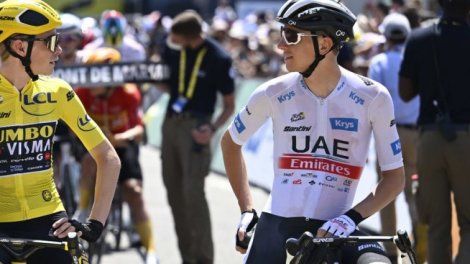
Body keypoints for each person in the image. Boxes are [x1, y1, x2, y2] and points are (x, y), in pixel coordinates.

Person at [221, 1, 405, 263]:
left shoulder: (373, 96)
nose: (281, 45)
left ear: (326, 44)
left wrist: (350, 218)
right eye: (282, 34)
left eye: (292, 36)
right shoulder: (272, 92)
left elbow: (395, 178)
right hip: (277, 222)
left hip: (340, 224)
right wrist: (247, 209)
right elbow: (230, 143)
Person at [0, 1, 120, 263]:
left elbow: (108, 158)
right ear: (20, 47)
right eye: (52, 41)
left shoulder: (57, 91)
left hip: (48, 220)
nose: (60, 49)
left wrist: (94, 225)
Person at [159, 10, 235, 264]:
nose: (171, 38)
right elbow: (167, 84)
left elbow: (229, 105)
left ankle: (204, 259)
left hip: (197, 128)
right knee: (174, 195)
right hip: (170, 124)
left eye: (175, 35)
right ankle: (187, 258)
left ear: (188, 36)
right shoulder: (173, 51)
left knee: (193, 194)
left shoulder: (218, 57)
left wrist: (211, 129)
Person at [399, 0, 470, 263]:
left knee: (436, 225)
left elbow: (405, 92)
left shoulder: (419, 39)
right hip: (466, 139)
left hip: (429, 138)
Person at [75, 47, 159, 264]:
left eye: (96, 77)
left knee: (134, 191)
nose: (90, 82)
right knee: (88, 161)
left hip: (121, 144)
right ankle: (82, 209)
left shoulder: (129, 93)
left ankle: (150, 249)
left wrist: (120, 137)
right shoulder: (81, 92)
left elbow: (139, 131)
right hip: (93, 146)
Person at [367, 12, 422, 263]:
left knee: (386, 191)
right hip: (416, 133)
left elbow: (372, 102)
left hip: (388, 133)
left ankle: (389, 251)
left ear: (386, 35)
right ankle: (420, 247)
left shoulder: (378, 61)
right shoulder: (417, 58)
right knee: (415, 190)